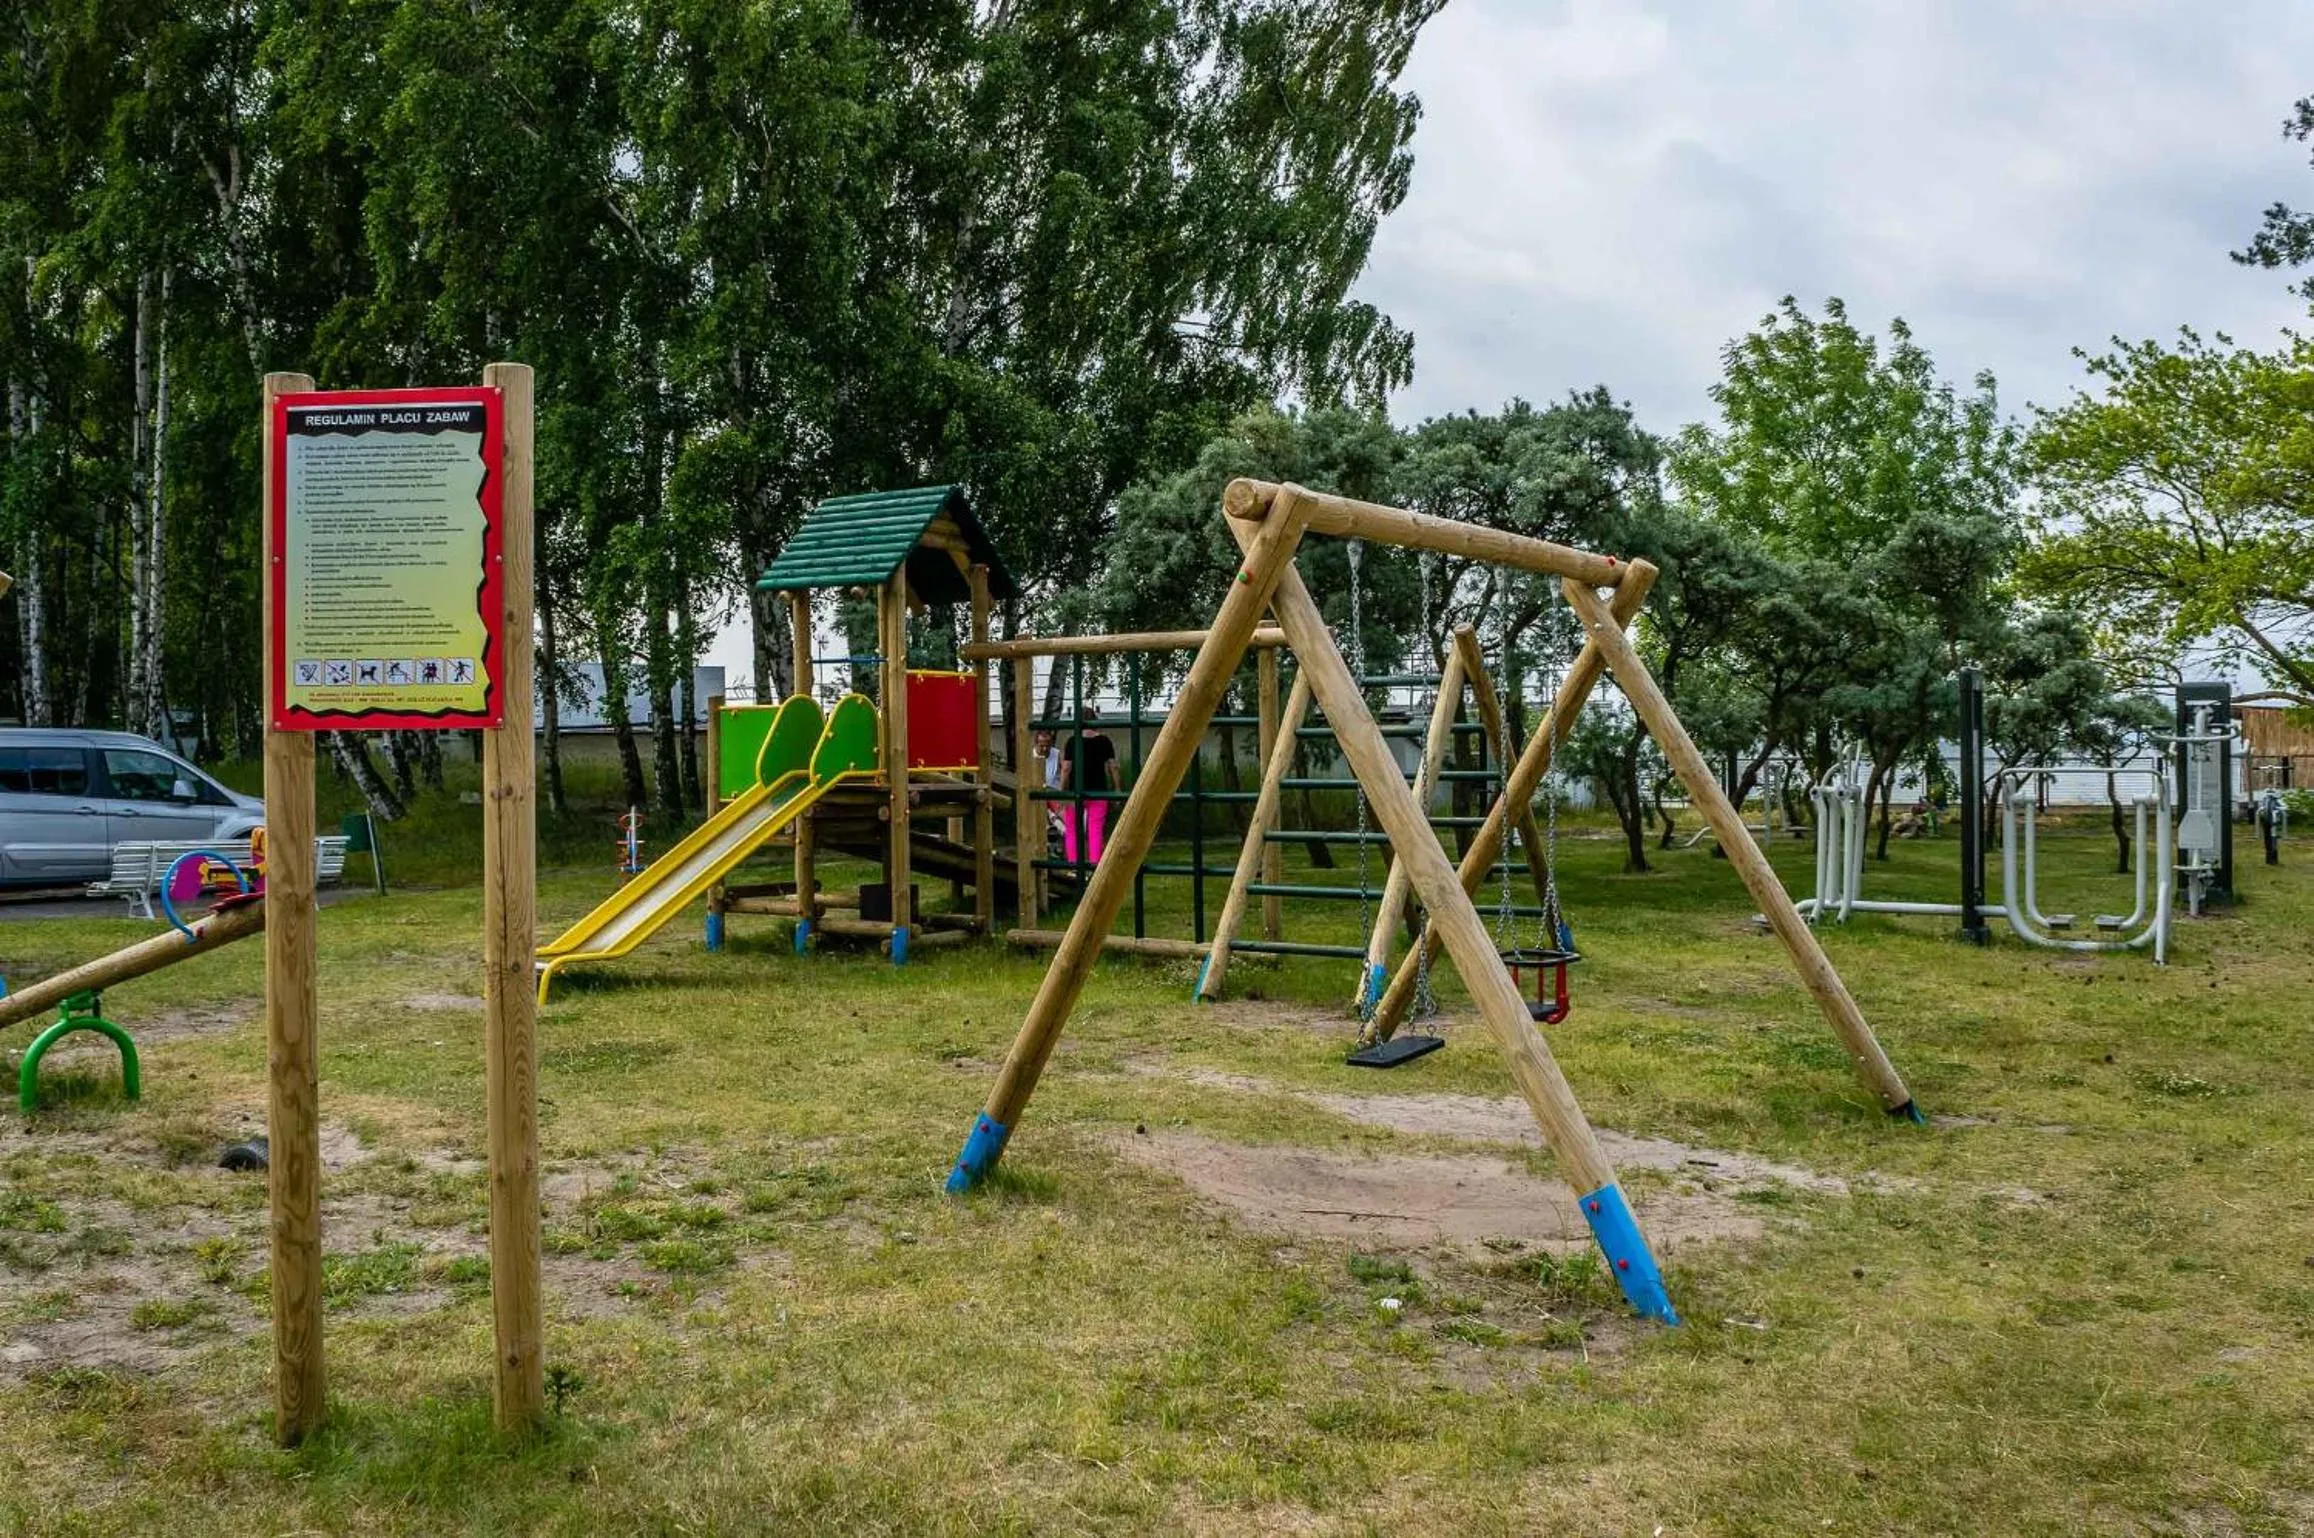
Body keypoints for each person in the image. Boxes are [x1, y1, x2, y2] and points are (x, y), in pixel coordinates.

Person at [1060, 706, 1120, 867]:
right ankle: (1095, 866)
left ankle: (1073, 865)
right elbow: (1113, 767)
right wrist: (1117, 789)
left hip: (1076, 790)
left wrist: (1062, 791)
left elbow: (1066, 768)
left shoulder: (1072, 741)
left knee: (1072, 829)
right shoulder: (1104, 741)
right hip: (1098, 791)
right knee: (1096, 830)